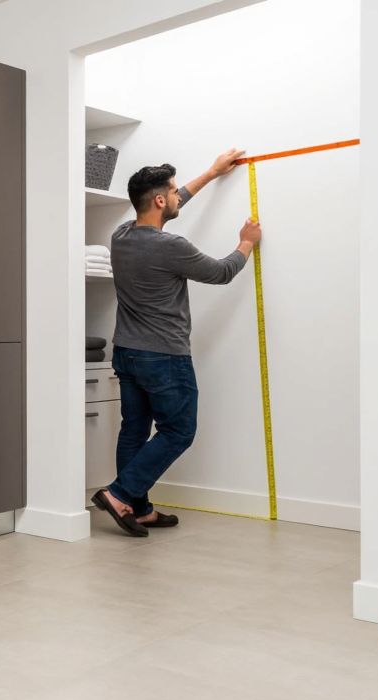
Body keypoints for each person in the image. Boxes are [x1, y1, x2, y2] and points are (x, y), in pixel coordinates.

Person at [91, 150, 264, 537]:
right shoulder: (171, 247)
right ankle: (119, 495)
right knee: (179, 431)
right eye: (171, 191)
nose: (176, 195)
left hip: (127, 352)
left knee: (134, 429)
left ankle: (140, 508)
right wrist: (245, 243)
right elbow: (221, 272)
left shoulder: (121, 236)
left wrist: (211, 173)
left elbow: (174, 201)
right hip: (163, 356)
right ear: (158, 200)